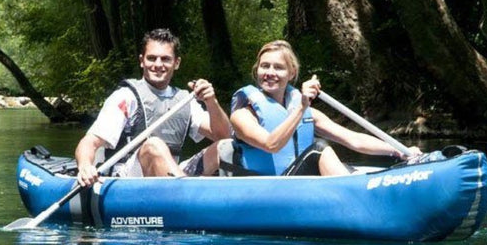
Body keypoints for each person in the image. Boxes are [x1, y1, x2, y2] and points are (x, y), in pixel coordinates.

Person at [229, 40, 421, 176]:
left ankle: (353, 185)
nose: (270, 73)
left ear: (291, 73)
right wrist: (302, 107)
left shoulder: (306, 112)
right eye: (265, 66)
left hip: (299, 182)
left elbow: (353, 139)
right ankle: (354, 196)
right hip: (268, 188)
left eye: (278, 67)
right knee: (320, 149)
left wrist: (397, 150)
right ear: (257, 70)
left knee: (327, 153)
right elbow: (271, 145)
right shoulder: (243, 115)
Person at [75, 28, 231, 186]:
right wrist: (85, 166)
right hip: (127, 179)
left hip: (172, 176)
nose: (158, 65)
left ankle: (210, 196)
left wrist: (211, 101)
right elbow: (90, 142)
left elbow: (224, 136)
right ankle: (187, 196)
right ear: (142, 61)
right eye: (151, 58)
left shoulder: (185, 100)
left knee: (225, 147)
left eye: (165, 59)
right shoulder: (126, 96)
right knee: (153, 145)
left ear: (176, 63)